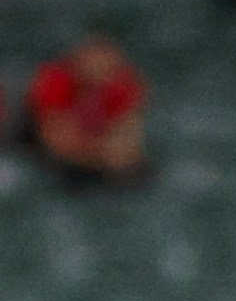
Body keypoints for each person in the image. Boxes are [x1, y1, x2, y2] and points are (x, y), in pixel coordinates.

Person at [23, 28, 149, 186]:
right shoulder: (56, 80)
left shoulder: (122, 86)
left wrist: (112, 151)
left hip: (91, 146)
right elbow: (55, 137)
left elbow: (128, 135)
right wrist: (100, 151)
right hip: (41, 142)